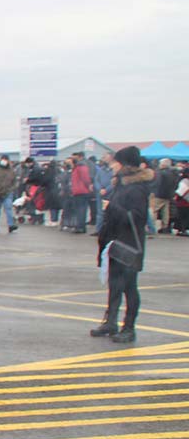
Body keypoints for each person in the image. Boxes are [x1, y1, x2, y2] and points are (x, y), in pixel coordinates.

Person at [92, 147, 151, 343]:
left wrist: (112, 207)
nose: (112, 165)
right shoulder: (121, 185)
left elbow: (137, 217)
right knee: (114, 285)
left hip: (129, 245)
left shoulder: (137, 188)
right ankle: (111, 322)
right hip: (115, 242)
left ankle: (129, 327)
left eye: (115, 162)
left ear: (125, 164)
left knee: (129, 287)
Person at [68, 151, 93, 233]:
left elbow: (85, 178)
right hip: (79, 191)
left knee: (81, 209)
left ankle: (80, 227)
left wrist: (87, 186)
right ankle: (80, 226)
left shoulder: (81, 166)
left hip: (81, 191)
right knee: (80, 209)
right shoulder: (79, 166)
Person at [153, 158, 178, 233]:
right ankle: (165, 226)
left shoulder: (160, 173)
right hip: (169, 194)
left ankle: (152, 226)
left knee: (154, 210)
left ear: (163, 164)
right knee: (165, 211)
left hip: (159, 194)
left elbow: (157, 183)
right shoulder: (173, 173)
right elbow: (175, 184)